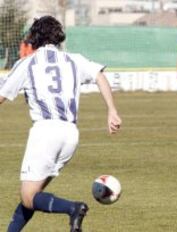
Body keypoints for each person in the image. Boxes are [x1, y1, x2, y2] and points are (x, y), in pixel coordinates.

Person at [0, 16, 121, 231]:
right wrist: (111, 110)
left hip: (45, 132)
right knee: (33, 195)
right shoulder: (74, 59)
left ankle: (73, 208)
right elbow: (99, 75)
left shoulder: (28, 62)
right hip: (70, 135)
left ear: (35, 38)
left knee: (29, 196)